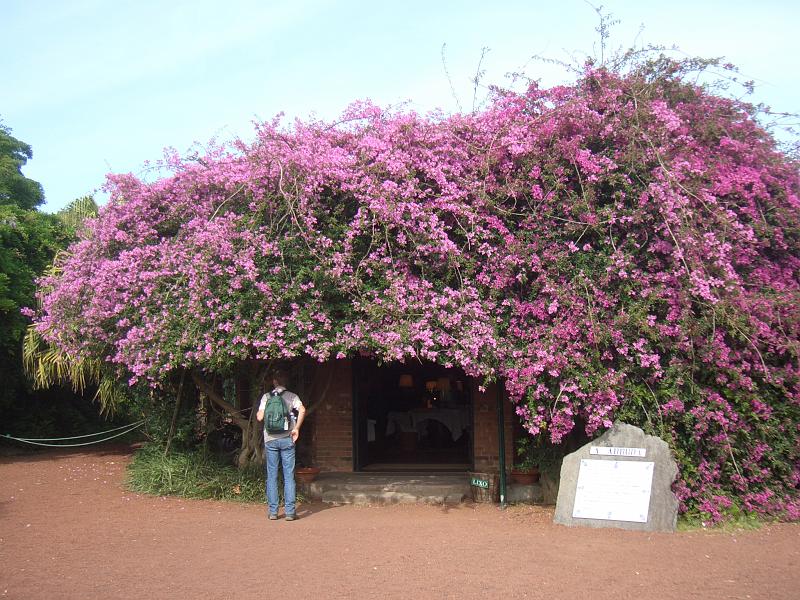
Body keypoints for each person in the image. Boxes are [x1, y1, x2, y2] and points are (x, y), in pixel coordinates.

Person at [256, 369, 306, 521]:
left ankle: (273, 512)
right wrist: (296, 428)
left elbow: (259, 417)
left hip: (270, 439)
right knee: (288, 475)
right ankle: (290, 512)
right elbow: (303, 409)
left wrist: (264, 413)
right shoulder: (292, 396)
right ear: (286, 382)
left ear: (274, 381)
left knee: (272, 475)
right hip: (287, 439)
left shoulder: (266, 397)